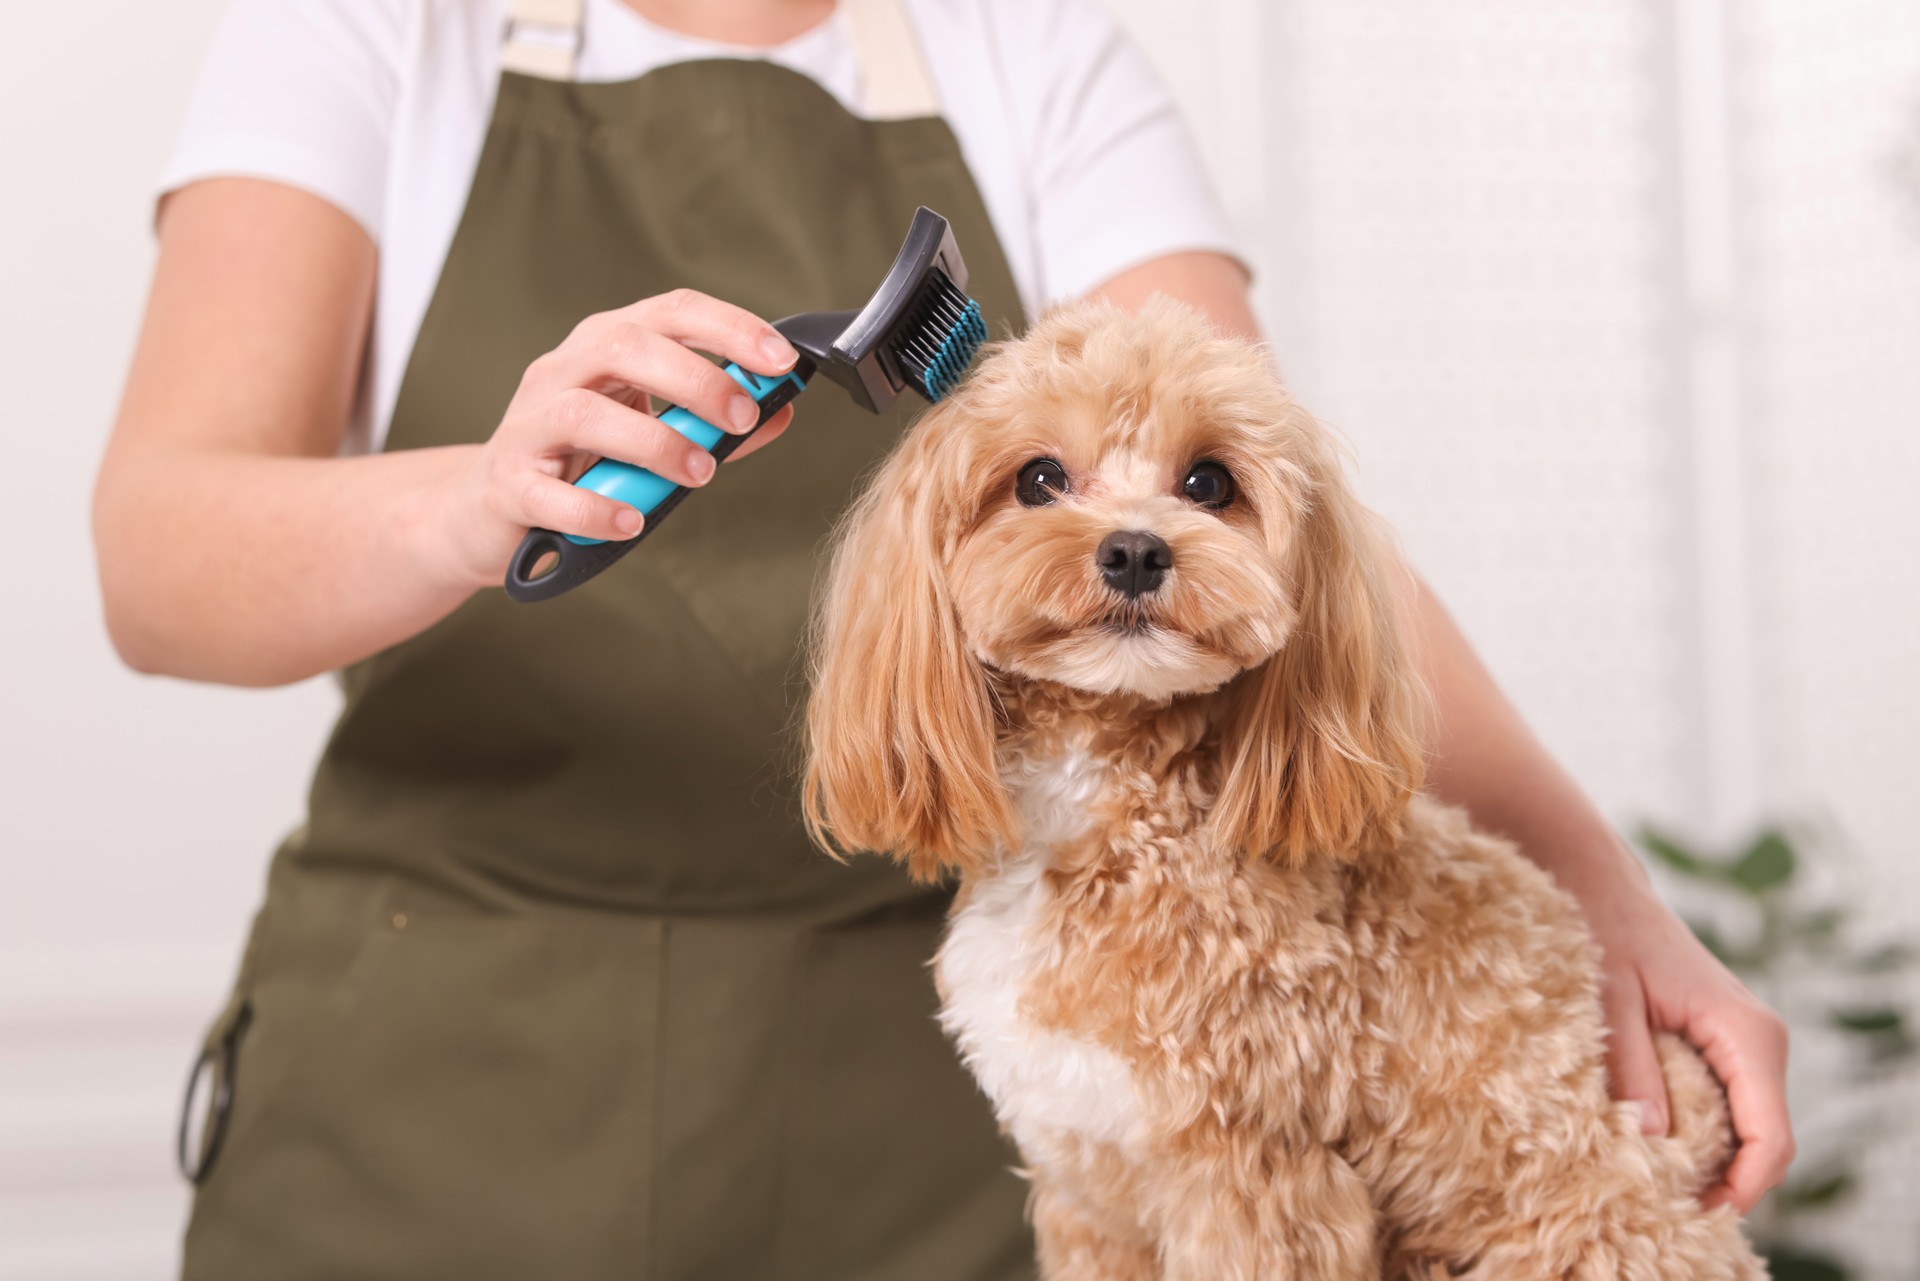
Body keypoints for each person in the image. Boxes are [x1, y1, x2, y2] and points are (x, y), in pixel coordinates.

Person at [93, 0, 1793, 1276]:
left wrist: (1602, 895)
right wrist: (473, 499)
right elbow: (156, 567)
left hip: (932, 1152)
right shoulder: (367, 30)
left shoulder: (1028, 52)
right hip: (430, 1105)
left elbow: (1273, 521)